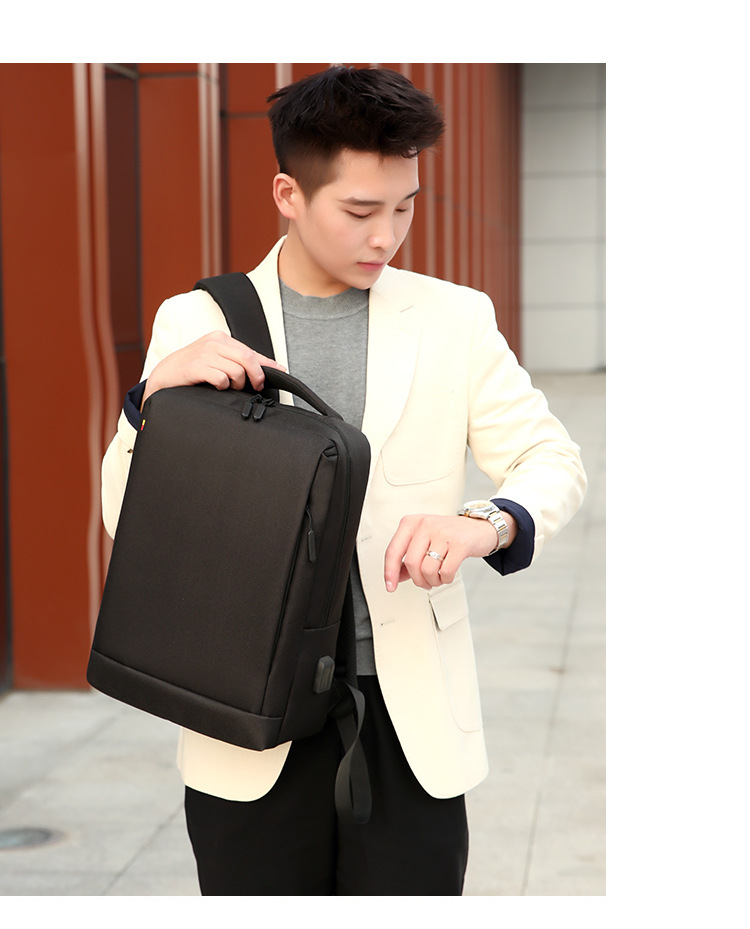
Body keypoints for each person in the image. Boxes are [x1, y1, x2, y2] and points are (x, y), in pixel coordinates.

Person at [101, 66, 587, 896]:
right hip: (247, 712)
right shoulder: (200, 321)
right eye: (360, 211)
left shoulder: (454, 317)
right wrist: (150, 406)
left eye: (404, 207)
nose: (386, 235)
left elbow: (551, 458)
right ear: (288, 194)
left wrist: (486, 521)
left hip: (408, 714)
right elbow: (126, 515)